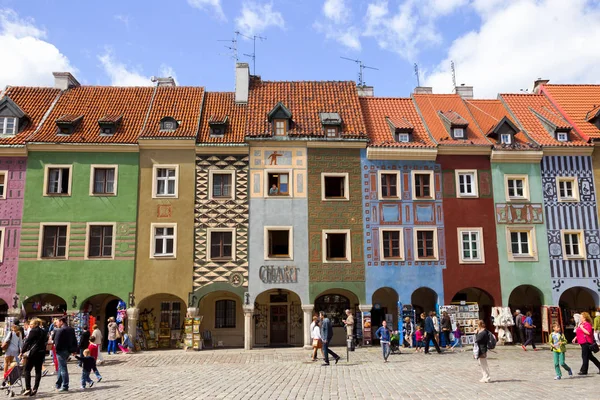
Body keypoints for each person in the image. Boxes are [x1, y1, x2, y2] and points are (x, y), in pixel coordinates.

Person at [21, 318, 48, 396]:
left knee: (26, 370)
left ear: (35, 324)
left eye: (31, 324)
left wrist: (22, 351)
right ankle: (35, 388)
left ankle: (28, 388)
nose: (30, 325)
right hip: (41, 352)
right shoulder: (43, 331)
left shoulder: (33, 331)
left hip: (33, 353)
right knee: (38, 371)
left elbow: (28, 341)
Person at [54, 316, 78, 392]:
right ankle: (58, 384)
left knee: (63, 368)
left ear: (61, 322)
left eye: (57, 322)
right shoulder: (71, 329)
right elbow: (74, 339)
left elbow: (56, 342)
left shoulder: (60, 330)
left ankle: (65, 385)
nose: (56, 324)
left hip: (61, 351)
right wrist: (74, 349)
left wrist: (56, 350)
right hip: (68, 350)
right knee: (61, 367)